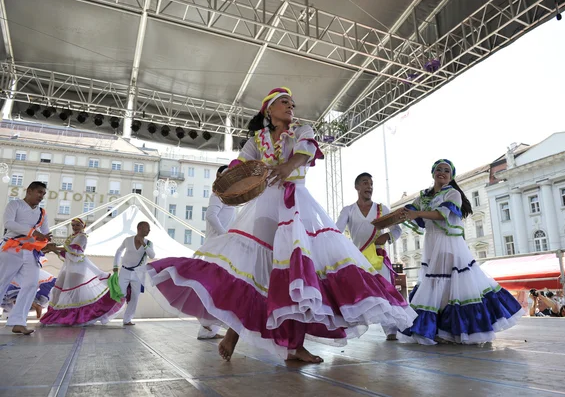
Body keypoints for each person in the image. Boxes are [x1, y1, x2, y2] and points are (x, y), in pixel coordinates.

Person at [147, 87, 416, 363]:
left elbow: (307, 151)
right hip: (265, 208)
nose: (291, 106)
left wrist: (287, 167)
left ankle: (295, 347)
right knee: (253, 273)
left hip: (298, 208)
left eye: (292, 103)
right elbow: (239, 165)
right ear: (269, 111)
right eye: (284, 102)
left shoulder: (303, 130)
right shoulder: (258, 140)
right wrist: (229, 176)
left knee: (298, 278)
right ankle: (233, 333)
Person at [399, 159, 523, 345]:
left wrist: (416, 214)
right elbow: (410, 211)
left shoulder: (453, 193)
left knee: (450, 284)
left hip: (449, 243)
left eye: (446, 171)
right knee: (436, 285)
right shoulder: (423, 196)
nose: (442, 172)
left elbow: (441, 215)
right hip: (432, 244)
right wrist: (399, 215)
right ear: (432, 173)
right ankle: (441, 329)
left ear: (451, 176)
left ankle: (457, 330)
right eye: (439, 169)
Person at [336, 172, 403, 340]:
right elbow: (336, 231)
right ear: (357, 187)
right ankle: (346, 327)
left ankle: (391, 330)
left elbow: (397, 230)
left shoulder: (382, 209)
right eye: (365, 183)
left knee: (385, 291)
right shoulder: (348, 210)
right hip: (358, 259)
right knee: (355, 293)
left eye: (371, 184)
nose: (369, 187)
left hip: (378, 257)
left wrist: (387, 237)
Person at [40, 218, 124, 326]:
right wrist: (53, 249)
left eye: (77, 225)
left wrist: (54, 247)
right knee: (58, 291)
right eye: (73, 225)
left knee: (73, 293)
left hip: (78, 268)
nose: (75, 227)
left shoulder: (82, 237)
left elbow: (75, 251)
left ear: (83, 226)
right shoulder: (72, 237)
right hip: (69, 268)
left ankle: (79, 317)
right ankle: (55, 316)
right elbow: (67, 254)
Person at [0, 181, 51, 334]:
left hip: (31, 251)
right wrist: (33, 233)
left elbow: (46, 232)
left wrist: (49, 243)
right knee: (2, 282)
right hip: (11, 248)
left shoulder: (42, 212)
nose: (41, 196)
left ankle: (18, 322)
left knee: (31, 284)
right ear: (29, 191)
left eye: (43, 194)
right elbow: (8, 223)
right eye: (39, 192)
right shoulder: (15, 205)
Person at [196, 165, 236, 340]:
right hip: (216, 247)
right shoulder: (217, 195)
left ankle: (208, 328)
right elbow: (211, 216)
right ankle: (205, 327)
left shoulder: (228, 197)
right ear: (219, 176)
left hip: (222, 247)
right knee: (213, 287)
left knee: (219, 287)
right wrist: (225, 236)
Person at [113, 222, 155, 326]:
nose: (149, 230)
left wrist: (144, 245)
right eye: (147, 228)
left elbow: (152, 255)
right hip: (125, 271)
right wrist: (115, 265)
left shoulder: (149, 243)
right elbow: (119, 251)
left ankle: (127, 319)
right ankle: (108, 314)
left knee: (135, 296)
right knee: (121, 294)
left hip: (138, 274)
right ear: (139, 228)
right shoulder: (128, 240)